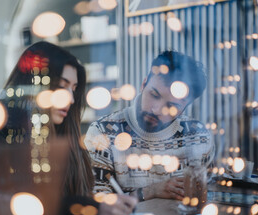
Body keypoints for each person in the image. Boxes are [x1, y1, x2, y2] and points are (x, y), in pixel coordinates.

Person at [0, 41, 137, 215]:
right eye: (61, 86)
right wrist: (89, 208)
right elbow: (15, 207)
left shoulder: (60, 137)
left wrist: (97, 204)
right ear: (33, 85)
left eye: (73, 89)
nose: (71, 99)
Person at [84, 51, 215, 202]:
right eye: (154, 95)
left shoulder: (198, 136)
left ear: (186, 106)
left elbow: (210, 194)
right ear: (143, 84)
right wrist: (150, 191)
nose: (157, 110)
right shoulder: (102, 133)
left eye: (172, 105)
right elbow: (96, 203)